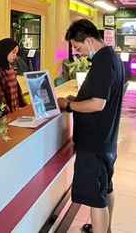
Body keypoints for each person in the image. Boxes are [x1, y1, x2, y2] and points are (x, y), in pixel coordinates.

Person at [57, 19, 125, 233]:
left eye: (78, 48)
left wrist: (69, 105)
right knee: (105, 189)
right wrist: (76, 99)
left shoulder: (103, 62)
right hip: (106, 140)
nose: (78, 54)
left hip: (95, 143)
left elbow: (97, 103)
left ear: (88, 40)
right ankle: (106, 229)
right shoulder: (113, 58)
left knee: (96, 198)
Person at [0, 38, 27, 116]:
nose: (15, 56)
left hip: (14, 115)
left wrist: (26, 109)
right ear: (4, 52)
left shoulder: (9, 68)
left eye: (16, 53)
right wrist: (10, 118)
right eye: (13, 53)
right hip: (2, 120)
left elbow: (18, 93)